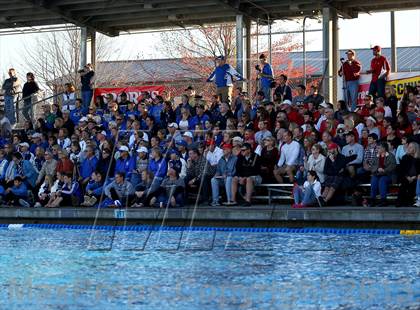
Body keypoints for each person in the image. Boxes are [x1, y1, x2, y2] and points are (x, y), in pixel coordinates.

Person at [369, 142, 396, 207]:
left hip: (388, 175)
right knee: (374, 180)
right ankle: (372, 199)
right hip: (377, 174)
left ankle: (383, 200)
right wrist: (377, 169)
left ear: (384, 148)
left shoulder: (390, 156)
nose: (377, 149)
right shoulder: (376, 156)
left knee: (382, 180)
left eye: (379, 148)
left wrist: (384, 170)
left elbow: (392, 166)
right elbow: (372, 166)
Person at [397, 142, 420, 207]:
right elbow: (402, 169)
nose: (408, 149)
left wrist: (414, 177)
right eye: (408, 147)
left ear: (415, 149)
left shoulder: (418, 158)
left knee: (413, 184)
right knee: (404, 183)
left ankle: (409, 201)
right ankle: (400, 201)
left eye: (410, 147)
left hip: (416, 177)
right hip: (406, 176)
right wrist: (407, 177)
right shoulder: (405, 157)